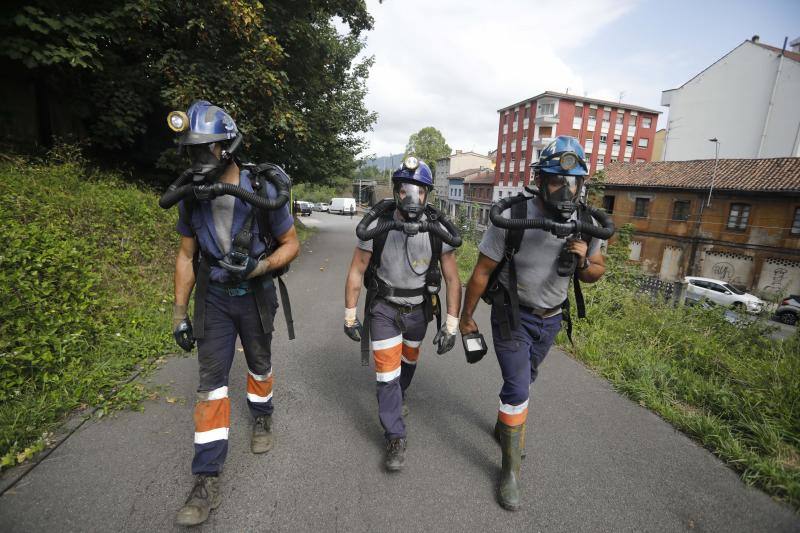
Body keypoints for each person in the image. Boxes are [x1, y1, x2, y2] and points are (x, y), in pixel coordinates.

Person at [168, 101, 300, 526]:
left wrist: (259, 266)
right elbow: (186, 257)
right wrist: (178, 313)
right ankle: (205, 478)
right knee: (211, 385)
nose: (196, 160)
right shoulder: (192, 197)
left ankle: (262, 417)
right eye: (190, 151)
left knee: (259, 364)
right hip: (216, 298)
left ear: (227, 147)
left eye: (204, 150)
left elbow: (291, 244)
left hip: (257, 292)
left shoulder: (262, 189)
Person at [459, 136, 606, 511]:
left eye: (574, 182)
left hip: (551, 319)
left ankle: (503, 424)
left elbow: (597, 271)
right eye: (558, 180)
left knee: (526, 379)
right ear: (541, 180)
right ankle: (509, 472)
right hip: (512, 312)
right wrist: (466, 316)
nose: (566, 190)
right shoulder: (513, 217)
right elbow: (481, 272)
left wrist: (584, 261)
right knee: (518, 384)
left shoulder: (586, 223)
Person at [343, 157, 461, 471]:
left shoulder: (437, 228)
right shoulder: (376, 226)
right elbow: (357, 270)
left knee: (408, 359)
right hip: (384, 308)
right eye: (406, 189)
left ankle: (399, 393)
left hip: (419, 310)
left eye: (420, 191)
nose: (413, 197)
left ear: (428, 194)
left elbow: (452, 278)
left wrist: (451, 325)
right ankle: (395, 435)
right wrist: (349, 315)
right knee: (386, 374)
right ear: (396, 192)